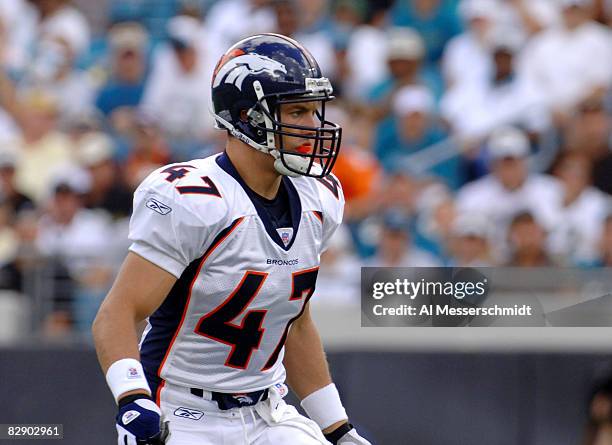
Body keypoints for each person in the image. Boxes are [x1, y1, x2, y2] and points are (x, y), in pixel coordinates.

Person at [92, 33, 371, 445]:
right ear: (246, 118)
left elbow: (293, 323)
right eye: (297, 111)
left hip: (268, 411)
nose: (314, 126)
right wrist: (133, 399)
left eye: (315, 111)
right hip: (181, 412)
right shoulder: (194, 198)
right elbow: (118, 312)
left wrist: (337, 428)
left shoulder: (319, 197)